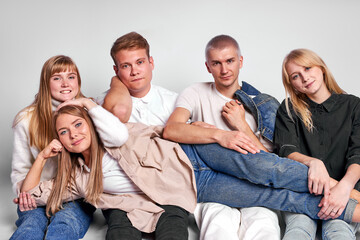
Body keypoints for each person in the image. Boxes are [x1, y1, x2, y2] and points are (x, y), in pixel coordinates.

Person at [19, 99, 197, 240]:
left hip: (167, 195)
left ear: (91, 124)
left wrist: (87, 103)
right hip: (125, 206)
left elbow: (132, 134)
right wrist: (42, 157)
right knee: (119, 234)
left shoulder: (118, 137)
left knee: (173, 233)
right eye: (63, 132)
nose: (73, 134)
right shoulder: (78, 178)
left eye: (78, 124)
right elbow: (29, 193)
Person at [163, 34, 281, 240]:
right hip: (213, 186)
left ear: (240, 61)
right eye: (216, 63)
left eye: (230, 61)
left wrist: (241, 125)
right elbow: (171, 129)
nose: (224, 70)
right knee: (217, 229)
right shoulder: (195, 92)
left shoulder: (261, 103)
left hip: (254, 186)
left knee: (264, 229)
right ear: (208, 66)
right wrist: (221, 135)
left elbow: (269, 163)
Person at [96, 32, 183, 239]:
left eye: (140, 62)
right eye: (126, 66)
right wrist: (115, 84)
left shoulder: (174, 102)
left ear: (151, 62)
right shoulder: (104, 103)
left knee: (174, 231)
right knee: (120, 232)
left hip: (166, 189)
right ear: (116, 71)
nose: (135, 71)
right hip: (122, 193)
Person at [274, 48, 360, 239]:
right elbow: (286, 151)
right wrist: (314, 162)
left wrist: (344, 187)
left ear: (321, 68)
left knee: (338, 229)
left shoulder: (354, 106)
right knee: (298, 228)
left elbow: (358, 153)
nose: (304, 77)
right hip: (302, 192)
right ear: (292, 84)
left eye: (308, 68)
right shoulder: (288, 108)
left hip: (346, 190)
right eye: (296, 76)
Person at [10, 55, 95, 240]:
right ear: (45, 83)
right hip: (36, 192)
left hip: (75, 194)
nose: (65, 83)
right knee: (30, 226)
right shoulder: (26, 119)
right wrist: (24, 193)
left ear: (78, 81)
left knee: (66, 223)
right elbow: (20, 169)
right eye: (57, 78)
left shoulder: (91, 112)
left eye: (71, 77)